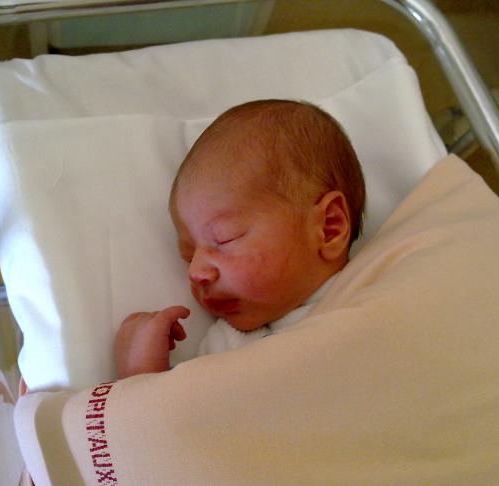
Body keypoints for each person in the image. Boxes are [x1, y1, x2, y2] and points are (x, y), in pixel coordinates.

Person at [114, 99, 365, 378]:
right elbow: (185, 404)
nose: (195, 272)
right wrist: (141, 373)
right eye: (188, 256)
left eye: (224, 239)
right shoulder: (228, 345)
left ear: (329, 227)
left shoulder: (376, 287)